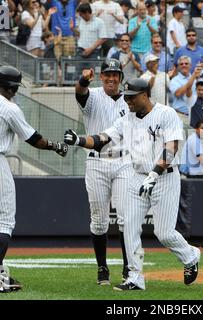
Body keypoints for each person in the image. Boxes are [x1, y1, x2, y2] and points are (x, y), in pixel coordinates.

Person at [64, 78, 201, 291]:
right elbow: (103, 138)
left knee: (164, 233)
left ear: (145, 95)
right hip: (137, 175)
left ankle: (191, 256)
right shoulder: (127, 118)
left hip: (164, 177)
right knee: (128, 226)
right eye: (126, 97)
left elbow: (171, 147)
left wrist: (155, 174)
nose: (127, 101)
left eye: (132, 97)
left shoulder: (166, 113)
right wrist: (79, 140)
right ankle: (135, 278)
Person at [0, 66, 68, 294]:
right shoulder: (9, 107)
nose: (15, 91)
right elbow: (33, 139)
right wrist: (55, 146)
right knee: (5, 222)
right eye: (15, 87)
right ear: (10, 86)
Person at [72, 59, 132, 286]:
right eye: (107, 74)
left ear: (120, 77)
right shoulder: (94, 95)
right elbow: (80, 92)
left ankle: (129, 267)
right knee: (99, 221)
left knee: (127, 218)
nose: (111, 78)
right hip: (97, 162)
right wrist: (83, 80)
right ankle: (102, 268)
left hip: (124, 161)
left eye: (115, 74)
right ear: (101, 76)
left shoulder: (130, 98)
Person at [169, 56, 203, 124]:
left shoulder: (198, 79)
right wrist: (194, 76)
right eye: (181, 64)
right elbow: (178, 93)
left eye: (186, 63)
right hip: (181, 116)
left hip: (196, 116)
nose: (184, 65)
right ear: (178, 67)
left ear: (190, 65)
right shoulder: (174, 80)